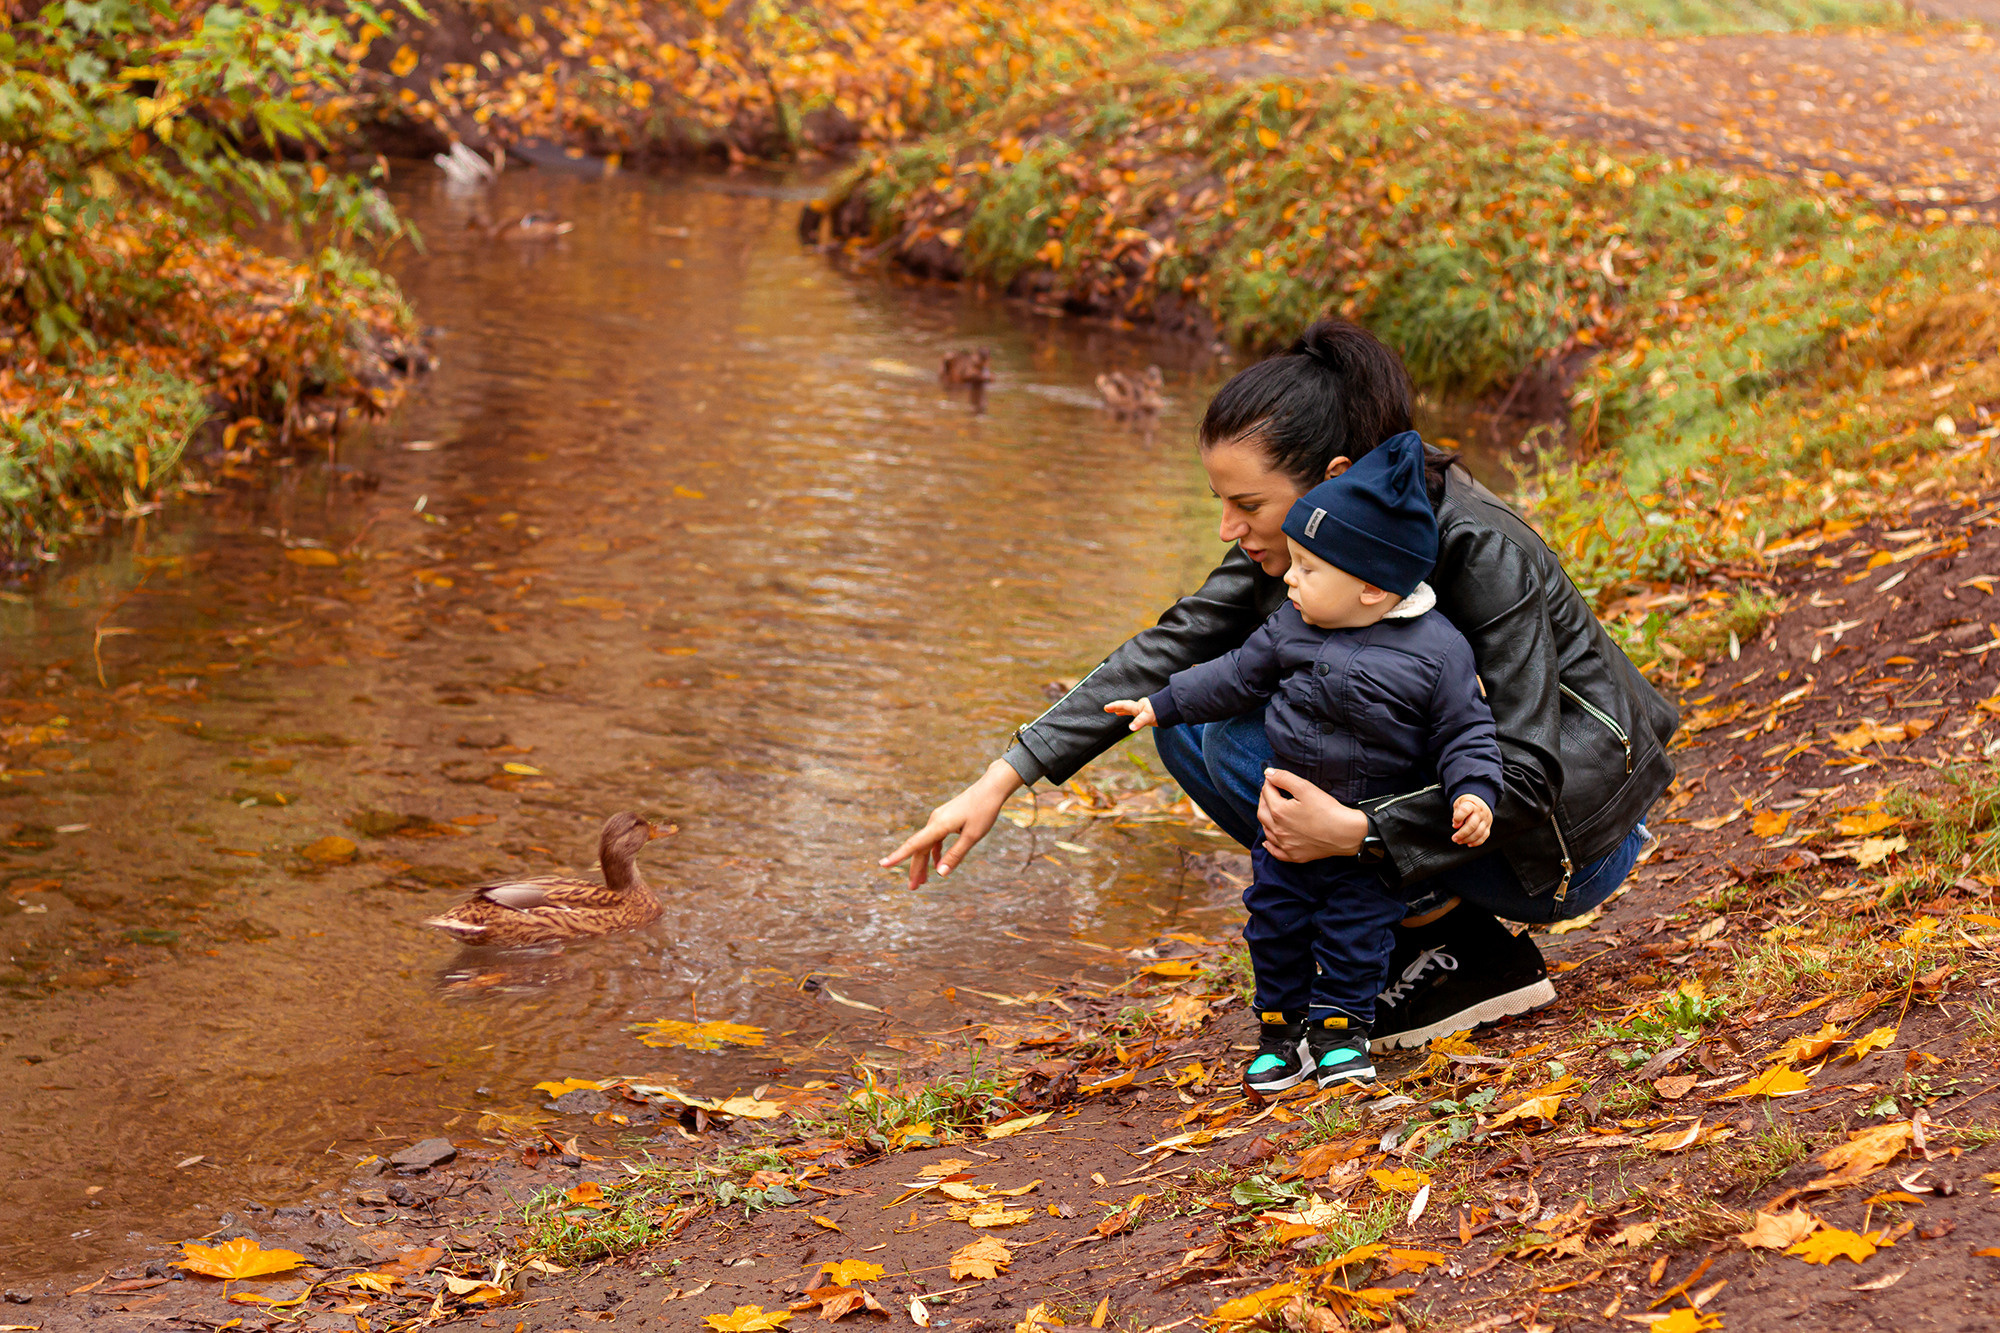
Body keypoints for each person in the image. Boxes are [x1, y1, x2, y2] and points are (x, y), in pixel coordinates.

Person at [881, 318, 1676, 1052]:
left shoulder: (1480, 549)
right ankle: (1414, 938)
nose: (1230, 528)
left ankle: (1450, 948)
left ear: (1331, 475)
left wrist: (1357, 833)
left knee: (1233, 738)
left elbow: (1527, 773)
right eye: (1221, 504)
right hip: (1450, 817)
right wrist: (1002, 775)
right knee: (1187, 718)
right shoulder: (1320, 543)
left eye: (1246, 504)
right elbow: (1173, 647)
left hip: (1561, 846)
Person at [1103, 433, 1503, 1092]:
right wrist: (1164, 702)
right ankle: (1279, 1034)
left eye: (1310, 569)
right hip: (1286, 829)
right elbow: (1236, 675)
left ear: (1372, 587)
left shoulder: (1438, 651)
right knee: (1274, 925)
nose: (1290, 577)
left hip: (1366, 834)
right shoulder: (1294, 625)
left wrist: (1474, 793)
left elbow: (1467, 730)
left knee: (1356, 934)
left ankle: (1344, 1032)